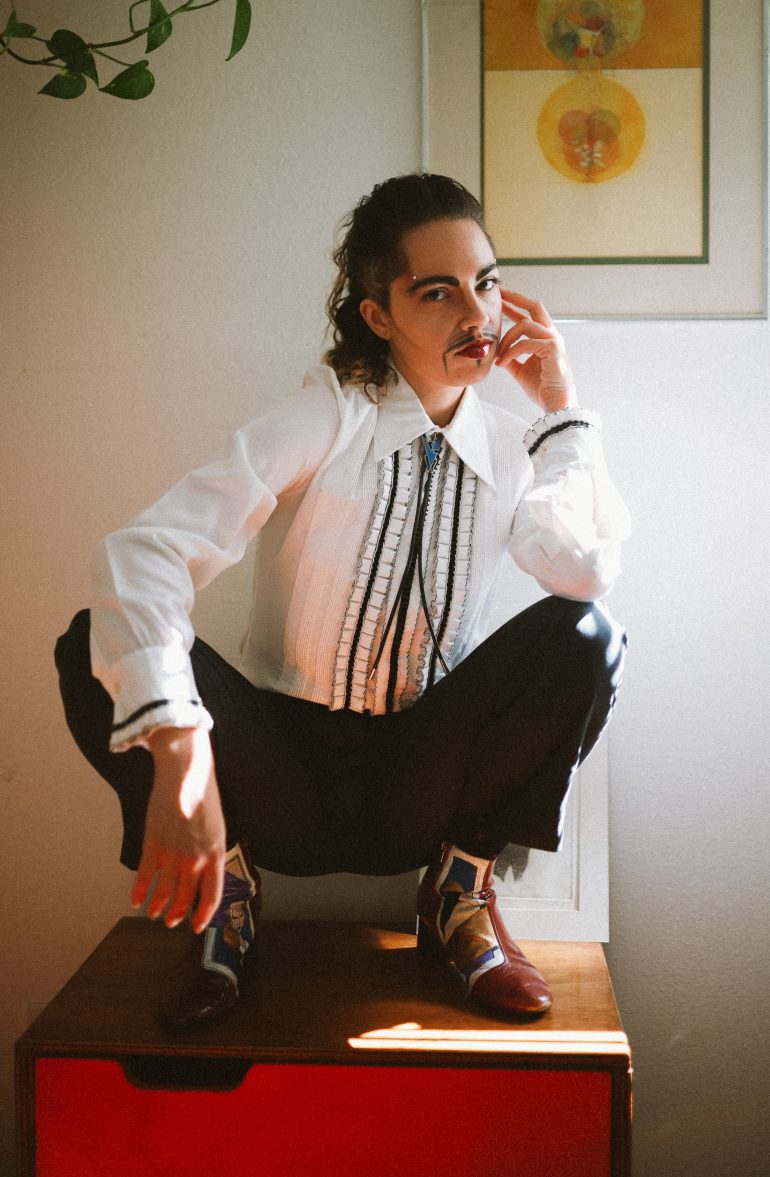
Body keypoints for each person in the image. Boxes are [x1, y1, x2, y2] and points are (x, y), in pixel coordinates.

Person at [55, 173, 629, 1032]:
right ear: (378, 315)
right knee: (86, 643)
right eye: (436, 292)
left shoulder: (518, 448)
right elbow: (144, 553)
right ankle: (226, 893)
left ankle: (458, 894)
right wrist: (181, 757)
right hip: (278, 774)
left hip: (422, 780)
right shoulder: (326, 416)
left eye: (486, 282)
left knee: (586, 635)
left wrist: (560, 412)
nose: (476, 314)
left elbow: (582, 568)